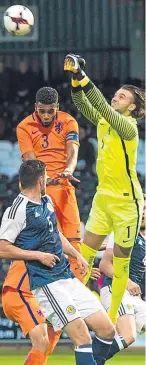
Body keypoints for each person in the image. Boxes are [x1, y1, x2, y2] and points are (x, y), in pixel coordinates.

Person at [0, 160, 115, 365]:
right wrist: (38, 255)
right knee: (82, 336)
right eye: (45, 178)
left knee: (107, 329)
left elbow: (57, 234)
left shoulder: (47, 201)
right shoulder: (16, 210)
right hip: (46, 283)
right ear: (41, 180)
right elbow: (2, 248)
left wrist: (75, 254)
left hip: (67, 277)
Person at [64, 53, 145, 324]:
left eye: (123, 97)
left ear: (132, 108)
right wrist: (76, 79)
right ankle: (73, 306)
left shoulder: (128, 128)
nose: (116, 97)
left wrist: (83, 75)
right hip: (103, 198)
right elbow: (80, 101)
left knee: (120, 263)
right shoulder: (104, 121)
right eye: (117, 94)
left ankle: (110, 317)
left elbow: (100, 103)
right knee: (85, 253)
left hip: (127, 203)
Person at [16, 86, 83, 282]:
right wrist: (43, 178)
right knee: (43, 243)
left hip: (64, 188)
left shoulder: (68, 121)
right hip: (37, 190)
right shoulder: (24, 126)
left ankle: (76, 289)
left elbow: (72, 151)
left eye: (50, 111)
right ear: (35, 106)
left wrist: (69, 170)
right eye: (42, 110)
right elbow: (29, 159)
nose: (46, 115)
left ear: (57, 107)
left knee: (73, 242)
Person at [99, 197, 146, 359]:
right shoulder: (124, 232)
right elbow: (105, 265)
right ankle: (92, 359)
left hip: (133, 296)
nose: (144, 213)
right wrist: (128, 282)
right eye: (141, 209)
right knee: (128, 336)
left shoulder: (141, 240)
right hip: (116, 289)